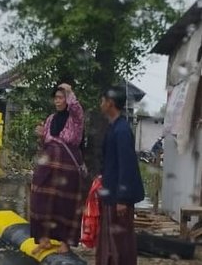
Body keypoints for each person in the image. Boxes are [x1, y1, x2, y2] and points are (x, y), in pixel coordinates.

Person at [30, 82, 85, 254]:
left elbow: (76, 107)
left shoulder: (75, 117)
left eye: (61, 97)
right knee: (40, 198)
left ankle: (66, 242)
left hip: (67, 165)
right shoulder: (51, 119)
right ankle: (44, 239)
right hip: (48, 165)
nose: (58, 101)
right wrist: (40, 135)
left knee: (66, 203)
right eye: (56, 98)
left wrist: (69, 90)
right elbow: (45, 142)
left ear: (67, 100)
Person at [97, 86, 145, 265]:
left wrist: (123, 199)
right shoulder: (114, 127)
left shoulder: (122, 130)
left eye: (102, 101)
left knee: (120, 243)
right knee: (109, 241)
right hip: (111, 192)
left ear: (110, 103)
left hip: (119, 197)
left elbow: (127, 165)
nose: (100, 105)